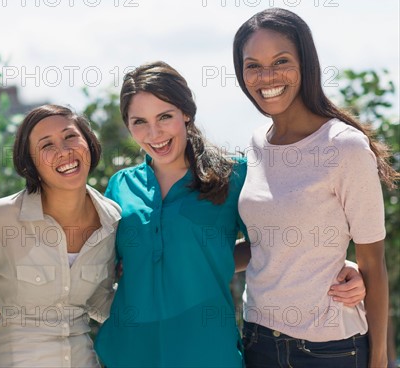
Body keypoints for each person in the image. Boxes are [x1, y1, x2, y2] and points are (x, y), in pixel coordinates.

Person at [90, 61, 367, 368]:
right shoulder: (120, 186)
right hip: (128, 352)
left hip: (207, 350)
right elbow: (104, 260)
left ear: (186, 113)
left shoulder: (233, 176)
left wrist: (342, 265)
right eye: (139, 121)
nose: (154, 133)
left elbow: (272, 238)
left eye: (164, 116)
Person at [233, 8, 396, 368]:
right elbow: (264, 245)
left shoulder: (345, 147)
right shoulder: (256, 145)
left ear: (306, 64)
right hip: (258, 339)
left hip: (329, 349)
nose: (267, 76)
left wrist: (380, 359)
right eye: (253, 65)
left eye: (281, 61)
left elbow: (373, 262)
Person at [0, 105, 120, 368]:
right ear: (31, 164)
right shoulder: (2, 216)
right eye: (47, 146)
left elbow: (99, 302)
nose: (64, 151)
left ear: (88, 142)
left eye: (70, 137)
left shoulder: (111, 219)